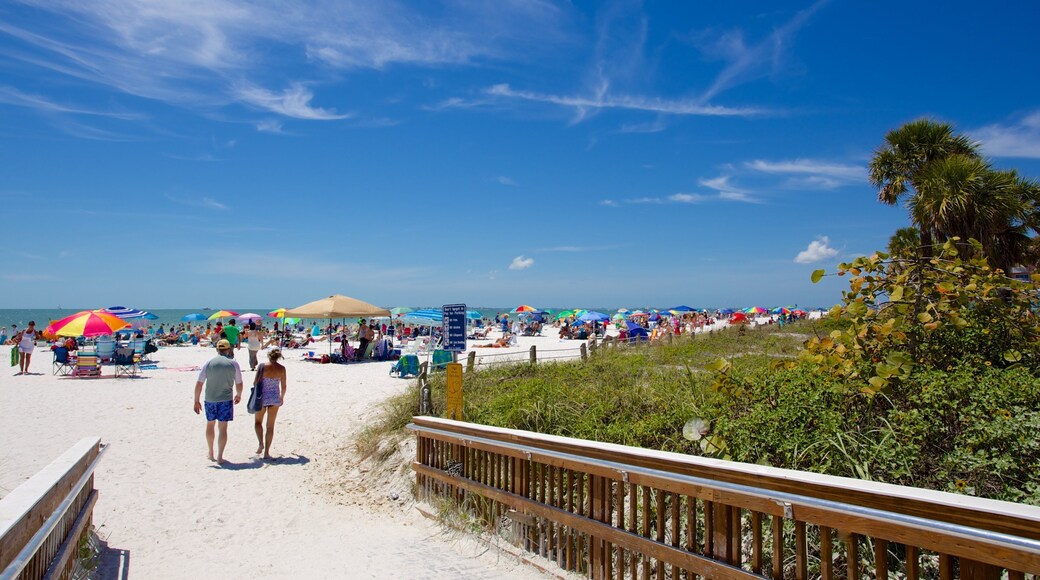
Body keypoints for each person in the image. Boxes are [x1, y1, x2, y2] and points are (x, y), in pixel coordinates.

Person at [193, 339, 244, 465]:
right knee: (223, 427)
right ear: (228, 349)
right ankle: (220, 456)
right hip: (226, 400)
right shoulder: (233, 364)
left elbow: (199, 383)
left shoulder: (208, 363)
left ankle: (211, 452)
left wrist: (196, 400)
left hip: (210, 398)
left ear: (217, 349)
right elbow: (239, 383)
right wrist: (238, 395)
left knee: (210, 424)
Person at [253, 348, 287, 460]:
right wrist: (281, 397)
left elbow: (255, 382)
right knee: (270, 426)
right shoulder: (282, 369)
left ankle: (260, 443)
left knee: (258, 422)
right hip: (275, 397)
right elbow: (284, 386)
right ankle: (267, 452)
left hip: (262, 397)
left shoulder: (262, 366)